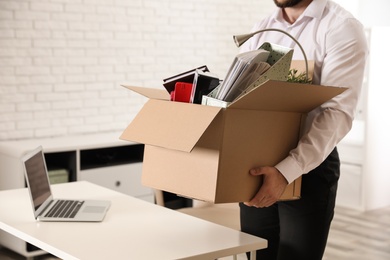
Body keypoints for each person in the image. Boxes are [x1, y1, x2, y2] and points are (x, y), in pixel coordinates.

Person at [238, 0, 368, 259]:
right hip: (258, 165)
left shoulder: (341, 28)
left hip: (309, 166)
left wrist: (286, 172)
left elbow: (336, 114)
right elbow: (243, 99)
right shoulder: (262, 29)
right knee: (257, 254)